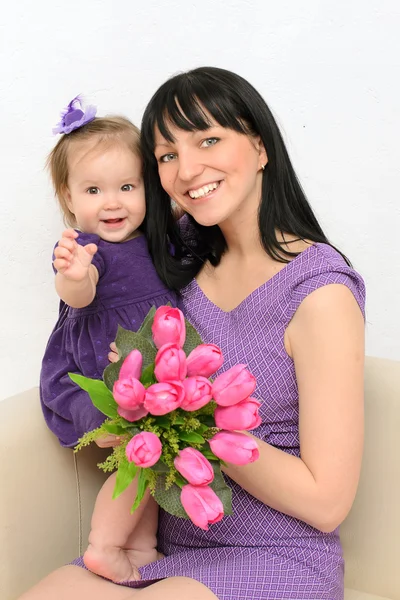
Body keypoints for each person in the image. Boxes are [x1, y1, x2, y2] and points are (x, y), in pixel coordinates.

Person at [22, 68, 365, 600]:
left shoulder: (320, 293)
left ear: (259, 146)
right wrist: (119, 398)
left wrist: (183, 413)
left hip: (278, 556)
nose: (187, 169)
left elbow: (327, 503)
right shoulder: (173, 251)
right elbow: (92, 318)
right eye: (166, 154)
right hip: (163, 552)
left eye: (208, 139)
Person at [40, 98, 176, 583]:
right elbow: (79, 293)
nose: (112, 202)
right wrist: (74, 276)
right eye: (94, 189)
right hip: (99, 376)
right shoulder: (85, 249)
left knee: (149, 457)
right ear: (69, 198)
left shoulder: (155, 240)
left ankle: (139, 550)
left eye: (127, 186)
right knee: (144, 451)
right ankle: (104, 543)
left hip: (147, 378)